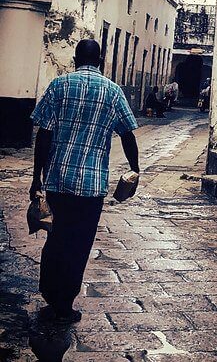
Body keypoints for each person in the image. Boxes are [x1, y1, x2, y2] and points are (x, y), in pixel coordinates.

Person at [30, 39, 140, 325]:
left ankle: (51, 298)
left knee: (55, 240)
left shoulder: (58, 86)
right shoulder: (113, 91)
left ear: (75, 59)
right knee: (79, 245)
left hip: (57, 181)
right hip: (91, 187)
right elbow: (128, 133)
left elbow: (44, 134)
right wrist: (135, 170)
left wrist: (35, 179)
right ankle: (65, 304)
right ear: (101, 61)